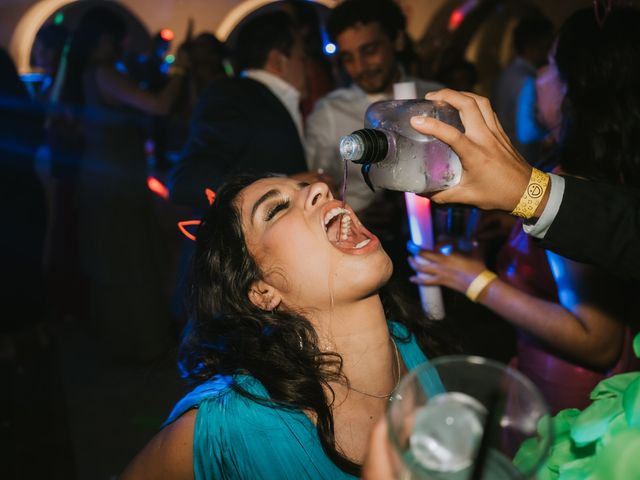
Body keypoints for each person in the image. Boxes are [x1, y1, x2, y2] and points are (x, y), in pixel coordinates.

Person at [121, 173, 451, 479]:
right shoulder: (237, 426)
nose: (320, 188)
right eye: (277, 208)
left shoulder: (413, 348)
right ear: (263, 292)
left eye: (307, 188)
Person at [410, 7, 640, 412]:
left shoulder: (577, 179)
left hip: (571, 395)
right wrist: (513, 221)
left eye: (550, 64)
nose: (539, 76)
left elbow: (597, 341)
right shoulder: (601, 167)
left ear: (578, 84)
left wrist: (473, 281)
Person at [60, 6, 189, 362]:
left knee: (114, 263)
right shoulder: (104, 73)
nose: (125, 45)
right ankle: (139, 346)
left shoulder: (83, 74)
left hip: (101, 176)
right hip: (116, 182)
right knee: (130, 262)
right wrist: (180, 71)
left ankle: (123, 344)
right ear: (107, 39)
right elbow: (159, 106)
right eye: (122, 39)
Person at [169, 11, 328, 210]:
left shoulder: (265, 99)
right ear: (277, 60)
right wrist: (285, 184)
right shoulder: (232, 94)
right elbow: (189, 181)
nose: (308, 67)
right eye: (303, 58)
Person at [305, 0, 442, 217]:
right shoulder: (329, 112)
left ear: (397, 41)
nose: (360, 68)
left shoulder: (435, 98)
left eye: (369, 50)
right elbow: (319, 182)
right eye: (348, 58)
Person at [492, 15, 554, 166]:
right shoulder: (527, 80)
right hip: (521, 160)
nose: (550, 52)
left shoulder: (507, 72)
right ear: (531, 46)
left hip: (504, 154)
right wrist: (555, 130)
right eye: (547, 46)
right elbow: (526, 133)